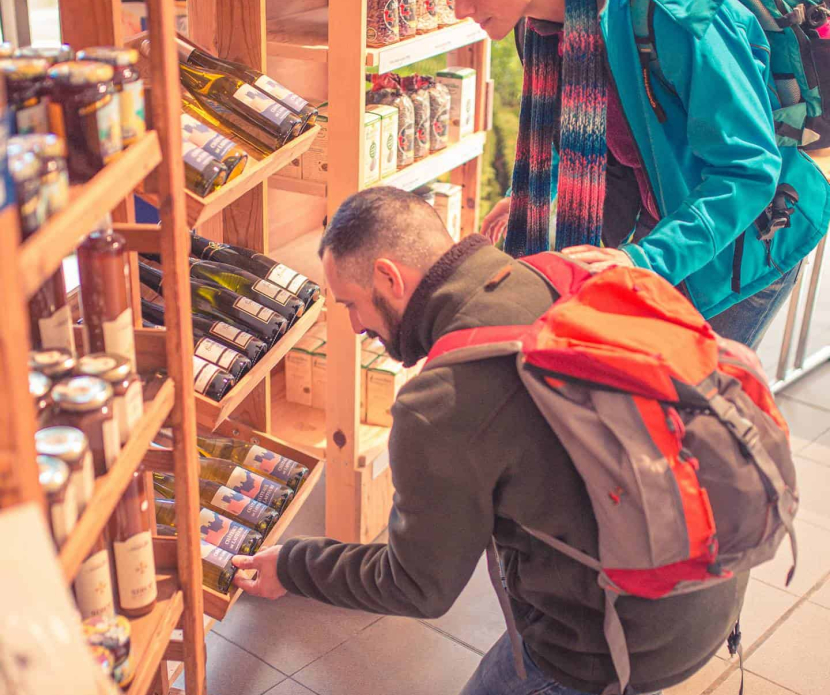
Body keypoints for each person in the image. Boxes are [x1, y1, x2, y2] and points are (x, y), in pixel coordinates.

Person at [232, 188, 748, 695]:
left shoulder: (441, 403)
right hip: (716, 566)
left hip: (622, 640)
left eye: (352, 304)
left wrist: (293, 565)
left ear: (389, 277)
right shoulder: (553, 269)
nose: (353, 325)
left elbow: (417, 585)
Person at [433, 0, 830, 349]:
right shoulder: (541, 25)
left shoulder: (673, 9)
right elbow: (574, 120)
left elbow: (748, 169)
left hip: (743, 241)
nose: (460, 7)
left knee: (692, 403)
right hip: (664, 220)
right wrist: (534, 191)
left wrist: (644, 261)